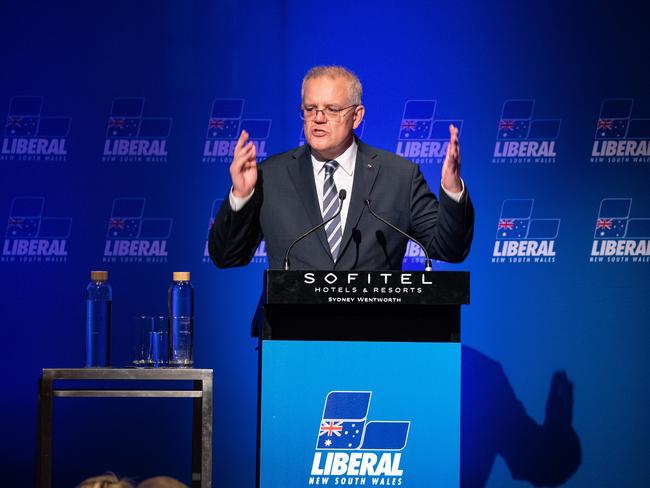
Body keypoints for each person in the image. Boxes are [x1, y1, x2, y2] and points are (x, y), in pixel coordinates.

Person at [209, 65, 473, 270]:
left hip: (374, 333)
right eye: (310, 109)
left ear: (356, 116)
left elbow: (450, 249)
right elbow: (226, 256)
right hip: (291, 334)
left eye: (332, 109)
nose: (319, 118)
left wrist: (452, 190)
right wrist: (241, 197)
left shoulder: (399, 176)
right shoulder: (270, 175)